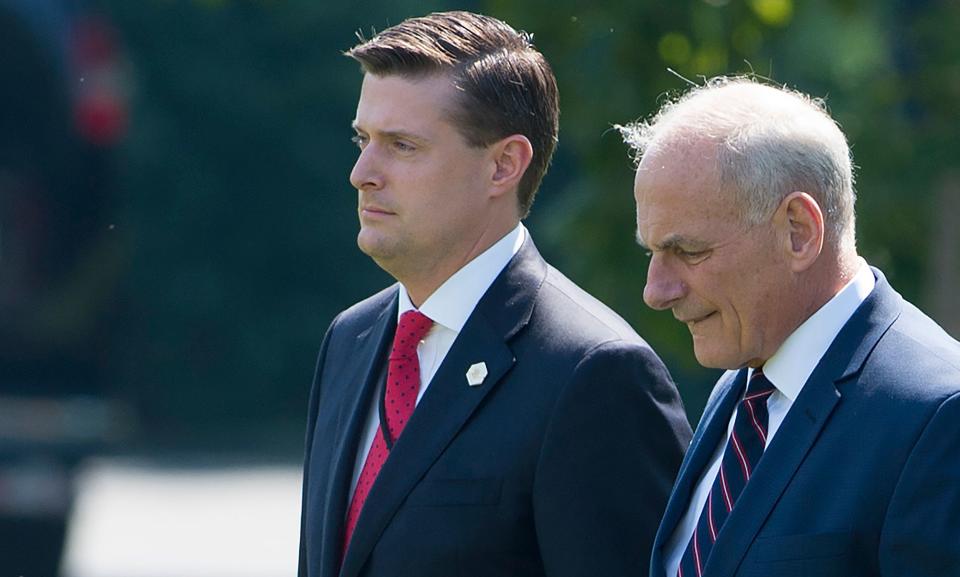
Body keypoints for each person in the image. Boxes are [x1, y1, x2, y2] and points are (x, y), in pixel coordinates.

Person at [297, 11, 692, 577]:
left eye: (402, 146)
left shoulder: (596, 374)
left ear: (503, 165)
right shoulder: (350, 339)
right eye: (363, 139)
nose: (362, 172)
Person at [620, 76, 960, 577]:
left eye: (687, 251)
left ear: (798, 231)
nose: (656, 291)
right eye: (652, 254)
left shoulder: (936, 416)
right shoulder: (744, 385)